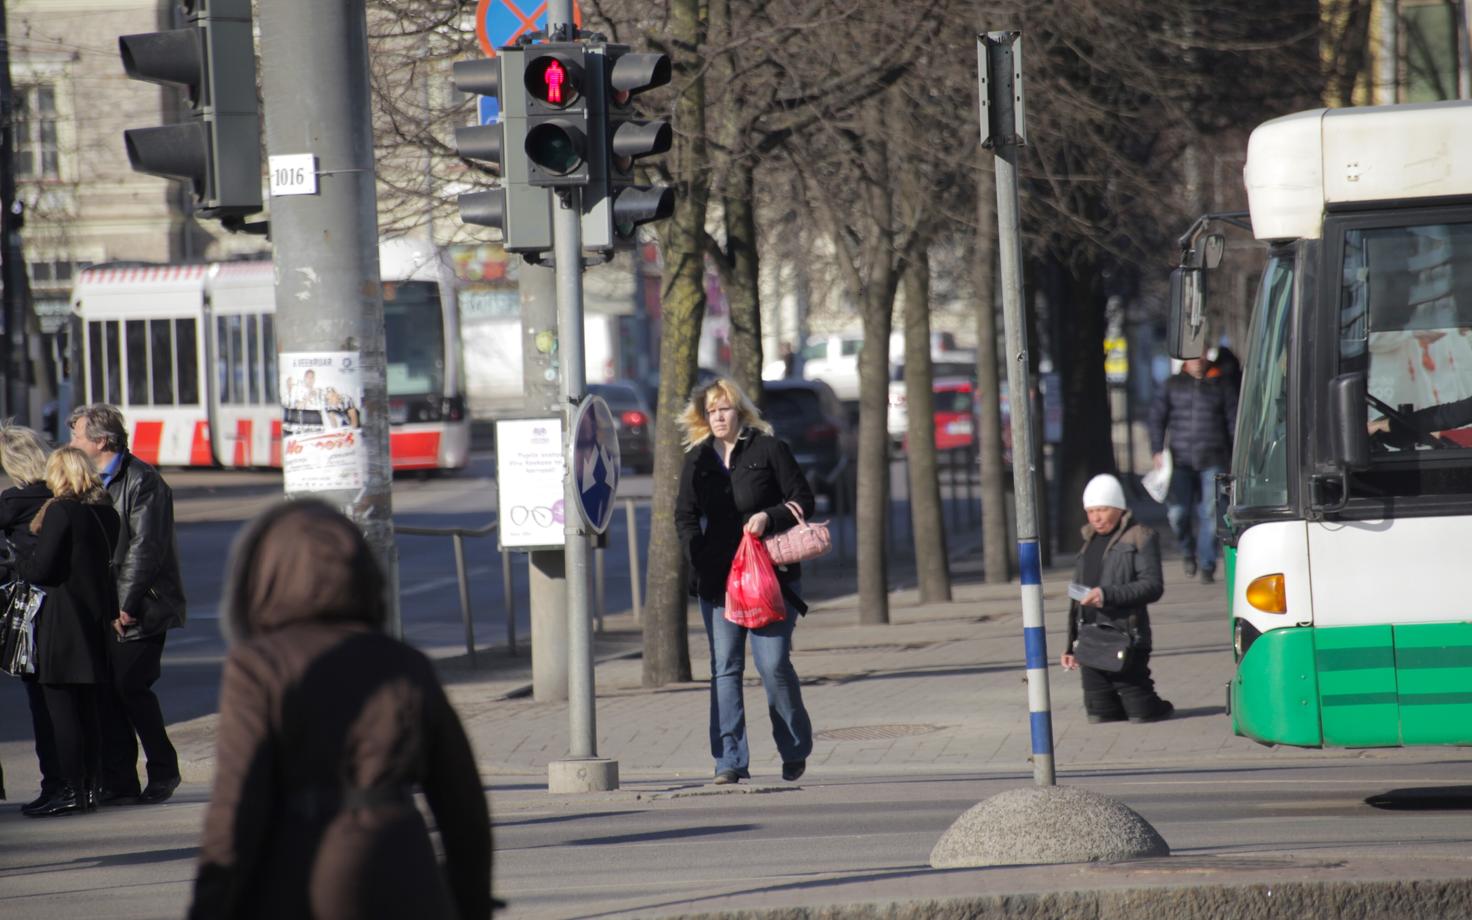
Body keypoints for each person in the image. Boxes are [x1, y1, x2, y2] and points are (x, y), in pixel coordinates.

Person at [190, 500, 492, 920]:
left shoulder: (261, 665)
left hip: (304, 869)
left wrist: (212, 902)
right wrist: (472, 901)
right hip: (405, 867)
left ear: (263, 577)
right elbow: (463, 805)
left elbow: (237, 803)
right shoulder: (404, 662)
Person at [674, 377, 816, 785]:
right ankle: (730, 760)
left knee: (772, 666)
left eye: (724, 409)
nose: (718, 417)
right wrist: (697, 556)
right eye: (711, 411)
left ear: (740, 411)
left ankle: (793, 746)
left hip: (770, 576)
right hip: (718, 580)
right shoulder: (698, 460)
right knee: (725, 668)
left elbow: (803, 499)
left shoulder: (769, 450)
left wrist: (769, 517)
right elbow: (684, 515)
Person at [68, 404, 185, 805]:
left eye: (78, 436)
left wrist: (125, 603)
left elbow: (145, 549)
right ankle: (118, 781)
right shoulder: (85, 480)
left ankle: (164, 770)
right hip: (102, 603)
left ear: (101, 441)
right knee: (106, 692)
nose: (72, 443)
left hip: (141, 605)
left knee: (130, 687)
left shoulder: (142, 480)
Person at [16, 447, 122, 816]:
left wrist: (19, 558)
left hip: (61, 622)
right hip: (93, 620)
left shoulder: (62, 511)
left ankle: (70, 789)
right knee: (88, 708)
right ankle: (91, 786)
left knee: (60, 708)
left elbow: (42, 569)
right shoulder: (105, 514)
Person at [1060, 474, 1173, 724]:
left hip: (1126, 637)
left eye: (1102, 510)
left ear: (1119, 508)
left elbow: (1152, 586)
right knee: (1100, 714)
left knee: (1140, 711)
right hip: (1090, 639)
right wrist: (1070, 646)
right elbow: (1075, 598)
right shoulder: (1087, 542)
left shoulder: (1140, 536)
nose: (1096, 518)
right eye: (1091, 511)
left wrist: (1106, 594)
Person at [0, 425, 63, 815]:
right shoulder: (60, 496)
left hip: (31, 611)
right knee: (70, 704)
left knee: (42, 703)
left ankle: (54, 783)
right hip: (67, 610)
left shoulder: (14, 502)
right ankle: (78, 782)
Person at [1147, 355, 1237, 583]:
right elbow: (1156, 417)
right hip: (1180, 461)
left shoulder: (1221, 385)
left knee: (1210, 513)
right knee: (1178, 514)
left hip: (1213, 458)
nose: (1198, 359)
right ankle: (1187, 551)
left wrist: (1236, 453)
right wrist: (1156, 449)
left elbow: (1233, 420)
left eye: (1202, 353)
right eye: (1193, 355)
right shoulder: (1172, 385)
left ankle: (1206, 563)